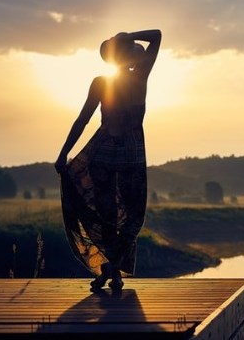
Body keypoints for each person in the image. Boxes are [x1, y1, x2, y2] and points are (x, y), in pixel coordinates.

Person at [55, 30, 161, 291]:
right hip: (125, 157)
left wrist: (64, 152)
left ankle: (110, 269)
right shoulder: (138, 78)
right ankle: (114, 271)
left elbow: (82, 120)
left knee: (114, 218)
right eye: (132, 48)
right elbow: (156, 36)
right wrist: (126, 35)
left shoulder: (112, 80)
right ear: (125, 55)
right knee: (128, 217)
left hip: (107, 156)